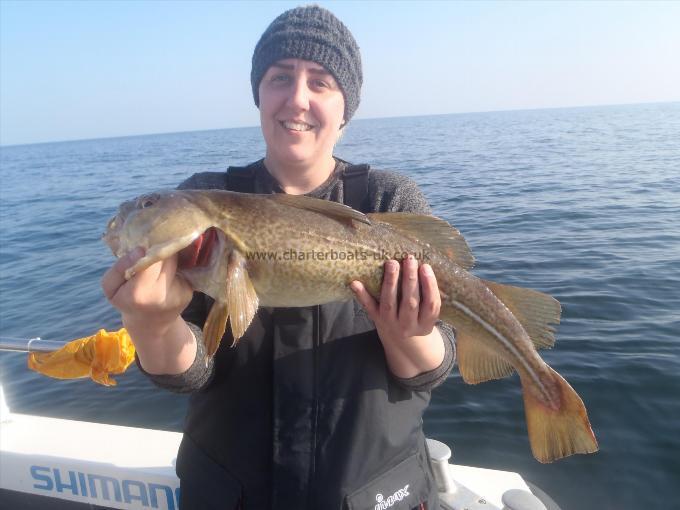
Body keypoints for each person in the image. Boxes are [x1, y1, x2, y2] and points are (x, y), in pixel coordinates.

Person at [102, 5, 455, 509]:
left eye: (321, 81)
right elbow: (191, 372)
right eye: (280, 77)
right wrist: (152, 324)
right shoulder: (205, 196)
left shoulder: (387, 200)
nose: (297, 98)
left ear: (345, 106)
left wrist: (411, 335)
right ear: (258, 93)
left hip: (373, 492)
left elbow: (433, 367)